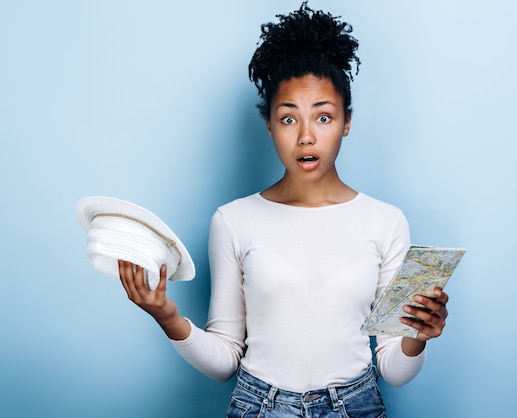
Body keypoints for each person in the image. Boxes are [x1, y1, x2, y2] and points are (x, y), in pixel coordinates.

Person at [117, 2, 449, 417]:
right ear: (269, 125)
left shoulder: (387, 222)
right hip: (259, 407)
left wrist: (417, 336)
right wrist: (167, 317)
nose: (307, 136)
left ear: (347, 120)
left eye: (323, 117)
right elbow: (224, 362)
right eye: (289, 119)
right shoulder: (233, 220)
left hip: (356, 407)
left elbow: (394, 370)